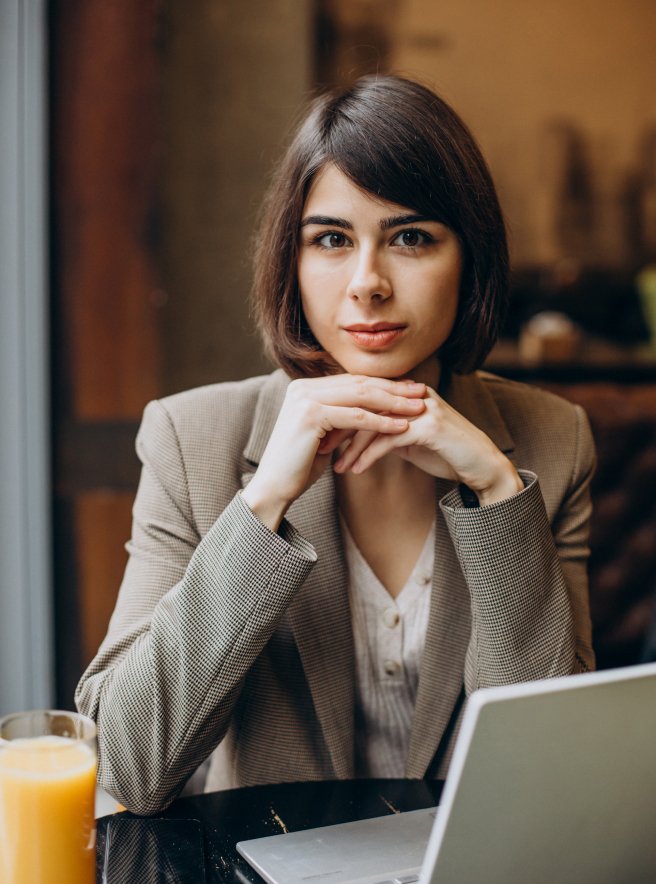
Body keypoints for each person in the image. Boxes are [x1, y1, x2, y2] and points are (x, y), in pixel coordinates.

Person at [76, 75, 596, 815]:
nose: (367, 283)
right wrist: (262, 506)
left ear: (469, 258)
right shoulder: (192, 440)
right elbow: (125, 766)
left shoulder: (554, 439)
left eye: (411, 237)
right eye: (330, 239)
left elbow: (553, 775)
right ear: (290, 261)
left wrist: (498, 489)